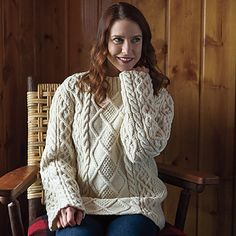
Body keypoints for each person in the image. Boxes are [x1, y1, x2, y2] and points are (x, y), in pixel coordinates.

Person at [40, 2, 174, 236]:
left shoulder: (157, 94)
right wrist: (66, 199)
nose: (127, 50)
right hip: (82, 203)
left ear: (144, 42)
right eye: (118, 40)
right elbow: (56, 158)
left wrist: (136, 87)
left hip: (137, 205)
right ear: (104, 42)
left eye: (136, 40)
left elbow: (141, 149)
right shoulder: (73, 89)